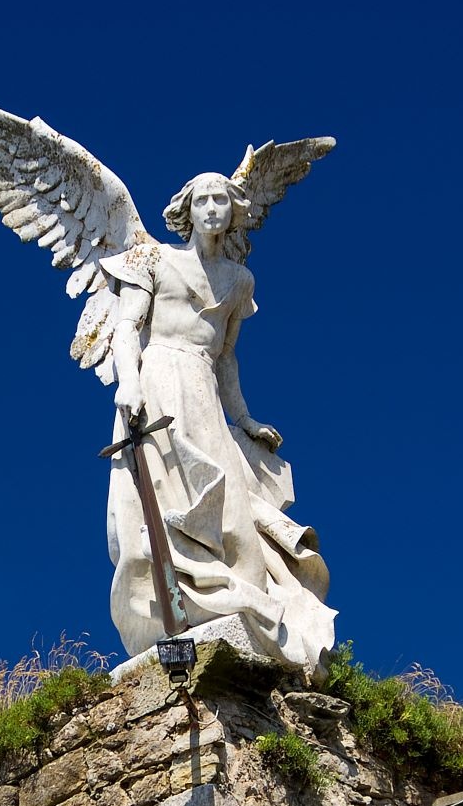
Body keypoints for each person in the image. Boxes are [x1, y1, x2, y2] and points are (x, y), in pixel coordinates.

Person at [105, 172, 335, 674]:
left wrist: (246, 419)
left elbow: (226, 358)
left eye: (221, 200)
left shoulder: (238, 280)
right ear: (188, 207)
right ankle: (176, 610)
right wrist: (130, 383)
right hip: (158, 380)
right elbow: (125, 327)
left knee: (231, 509)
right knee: (165, 501)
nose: (212, 208)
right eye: (203, 199)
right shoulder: (154, 258)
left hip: (204, 390)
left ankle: (237, 599)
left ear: (234, 211)